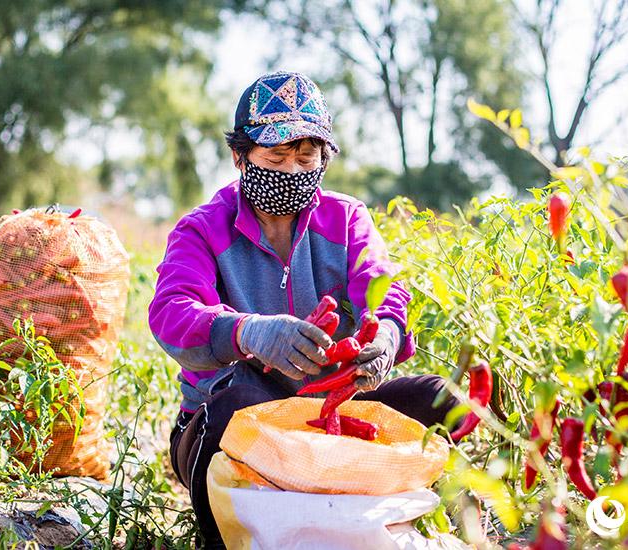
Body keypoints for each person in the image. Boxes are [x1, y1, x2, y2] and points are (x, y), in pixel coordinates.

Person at [149, 71, 460, 548]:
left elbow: (383, 286)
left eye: (306, 156)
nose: (292, 171)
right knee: (237, 396)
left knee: (443, 398)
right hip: (238, 420)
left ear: (323, 158)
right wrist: (246, 332)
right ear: (239, 156)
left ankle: (380, 525)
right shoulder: (202, 230)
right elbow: (171, 312)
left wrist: (387, 336)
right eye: (275, 156)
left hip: (330, 413)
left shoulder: (346, 218)